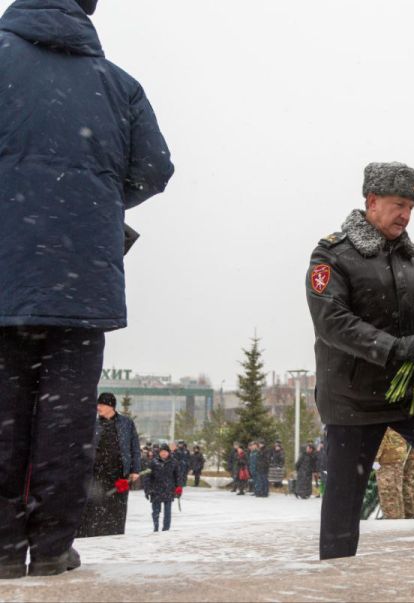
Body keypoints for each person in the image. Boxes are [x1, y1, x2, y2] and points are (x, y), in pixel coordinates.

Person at [0, 0, 174, 578]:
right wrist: (92, 198)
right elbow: (154, 168)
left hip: (6, 274)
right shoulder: (117, 85)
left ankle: (2, 548)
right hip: (82, 279)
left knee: (3, 413)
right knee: (67, 418)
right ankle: (52, 546)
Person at [305, 161, 414, 560]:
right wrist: (391, 347)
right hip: (352, 395)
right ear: (371, 201)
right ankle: (337, 571)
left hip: (408, 391)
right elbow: (331, 321)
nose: (406, 215)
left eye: (411, 207)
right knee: (345, 496)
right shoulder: (333, 254)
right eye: (398, 205)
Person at [76, 393, 142, 537]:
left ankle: (114, 534)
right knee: (93, 504)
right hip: (96, 473)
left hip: (119, 473)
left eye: (101, 405)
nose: (98, 407)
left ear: (110, 406)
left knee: (117, 506)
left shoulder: (126, 423)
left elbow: (135, 447)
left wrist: (135, 470)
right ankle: (90, 533)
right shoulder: (93, 424)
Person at [144, 444, 180, 532]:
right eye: (162, 452)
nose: (163, 453)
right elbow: (147, 477)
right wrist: (147, 490)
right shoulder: (153, 462)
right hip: (155, 490)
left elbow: (178, 476)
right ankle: (156, 527)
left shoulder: (174, 462)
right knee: (155, 511)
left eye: (165, 452)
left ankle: (166, 528)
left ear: (168, 452)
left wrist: (178, 488)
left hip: (169, 489)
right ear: (159, 453)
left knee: (167, 512)